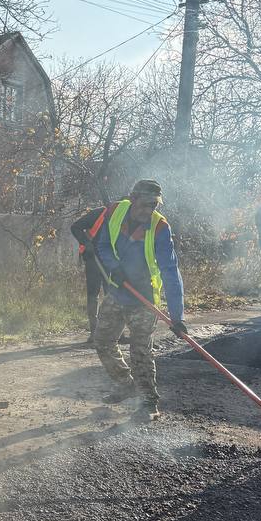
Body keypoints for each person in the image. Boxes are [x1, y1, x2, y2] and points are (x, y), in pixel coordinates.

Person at [91, 178, 187, 422]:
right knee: (102, 341)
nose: (149, 211)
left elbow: (170, 271)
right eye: (145, 204)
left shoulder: (159, 228)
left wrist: (177, 316)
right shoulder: (114, 211)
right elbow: (102, 245)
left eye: (154, 205)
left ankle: (148, 402)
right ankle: (125, 384)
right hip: (117, 291)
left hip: (144, 299)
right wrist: (114, 267)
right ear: (132, 198)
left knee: (141, 352)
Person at [70, 204, 108, 345]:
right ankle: (95, 332)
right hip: (94, 260)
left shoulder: (126, 218)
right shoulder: (99, 214)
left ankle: (115, 332)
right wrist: (86, 242)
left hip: (113, 263)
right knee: (93, 295)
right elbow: (75, 227)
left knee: (114, 296)